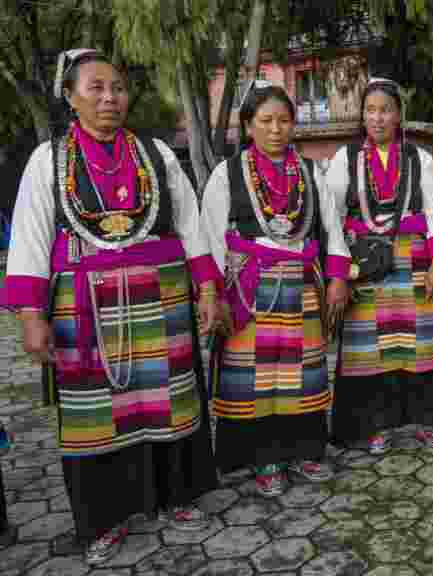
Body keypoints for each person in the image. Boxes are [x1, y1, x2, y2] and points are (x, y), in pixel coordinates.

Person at [1, 49, 218, 564]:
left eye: (117, 87)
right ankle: (105, 517)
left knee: (170, 401)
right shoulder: (48, 159)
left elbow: (191, 225)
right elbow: (31, 238)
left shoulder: (157, 154)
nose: (109, 98)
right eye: (95, 88)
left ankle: (176, 496)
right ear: (70, 97)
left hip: (160, 301)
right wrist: (32, 317)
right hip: (85, 311)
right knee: (96, 415)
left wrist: (208, 289)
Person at [202, 82, 341, 497]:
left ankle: (306, 450)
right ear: (248, 126)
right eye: (266, 121)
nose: (276, 129)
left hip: (303, 287)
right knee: (257, 380)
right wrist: (213, 294)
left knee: (302, 374)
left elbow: (332, 230)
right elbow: (210, 236)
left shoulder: (312, 172)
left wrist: (337, 278)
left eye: (284, 120)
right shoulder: (227, 174)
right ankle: (262, 458)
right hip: (249, 291)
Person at [327, 77, 433, 453]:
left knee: (421, 344)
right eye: (370, 110)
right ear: (362, 116)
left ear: (398, 116)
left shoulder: (420, 158)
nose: (378, 118)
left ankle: (425, 421)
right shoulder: (345, 158)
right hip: (366, 265)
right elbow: (331, 216)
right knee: (367, 350)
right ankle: (370, 427)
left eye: (385, 110)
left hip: (413, 262)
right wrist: (339, 274)